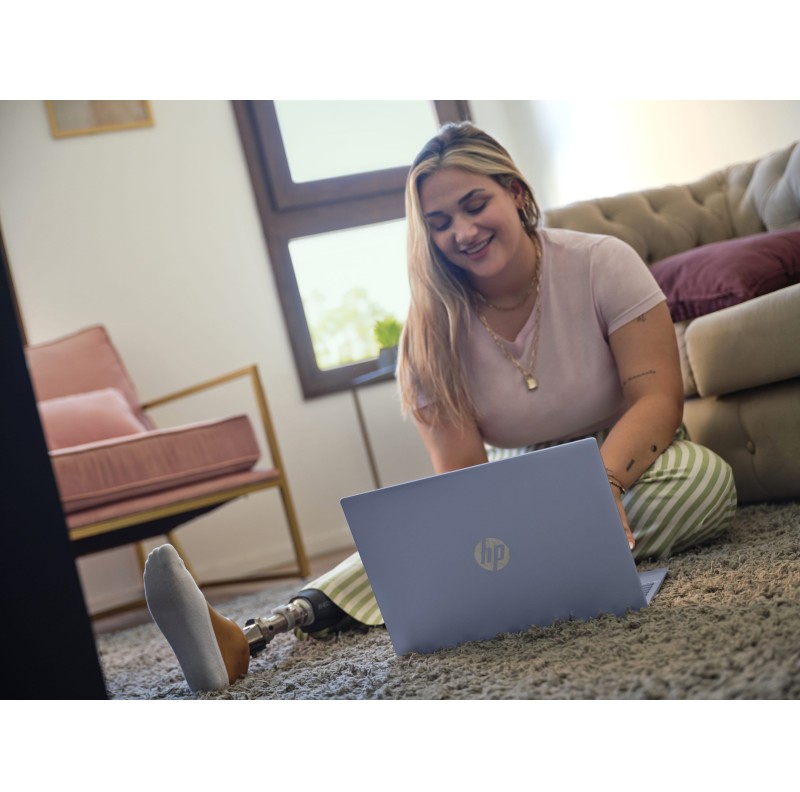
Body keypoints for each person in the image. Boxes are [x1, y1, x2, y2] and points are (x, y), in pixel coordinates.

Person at [144, 121, 737, 693]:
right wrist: (490, 535)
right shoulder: (428, 333)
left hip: (633, 457)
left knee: (705, 483)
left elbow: (657, 400)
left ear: (516, 193)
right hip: (514, 476)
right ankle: (256, 632)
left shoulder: (603, 262)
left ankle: (522, 571)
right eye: (440, 222)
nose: (463, 231)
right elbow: (464, 484)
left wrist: (599, 484)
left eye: (475, 205)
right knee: (441, 539)